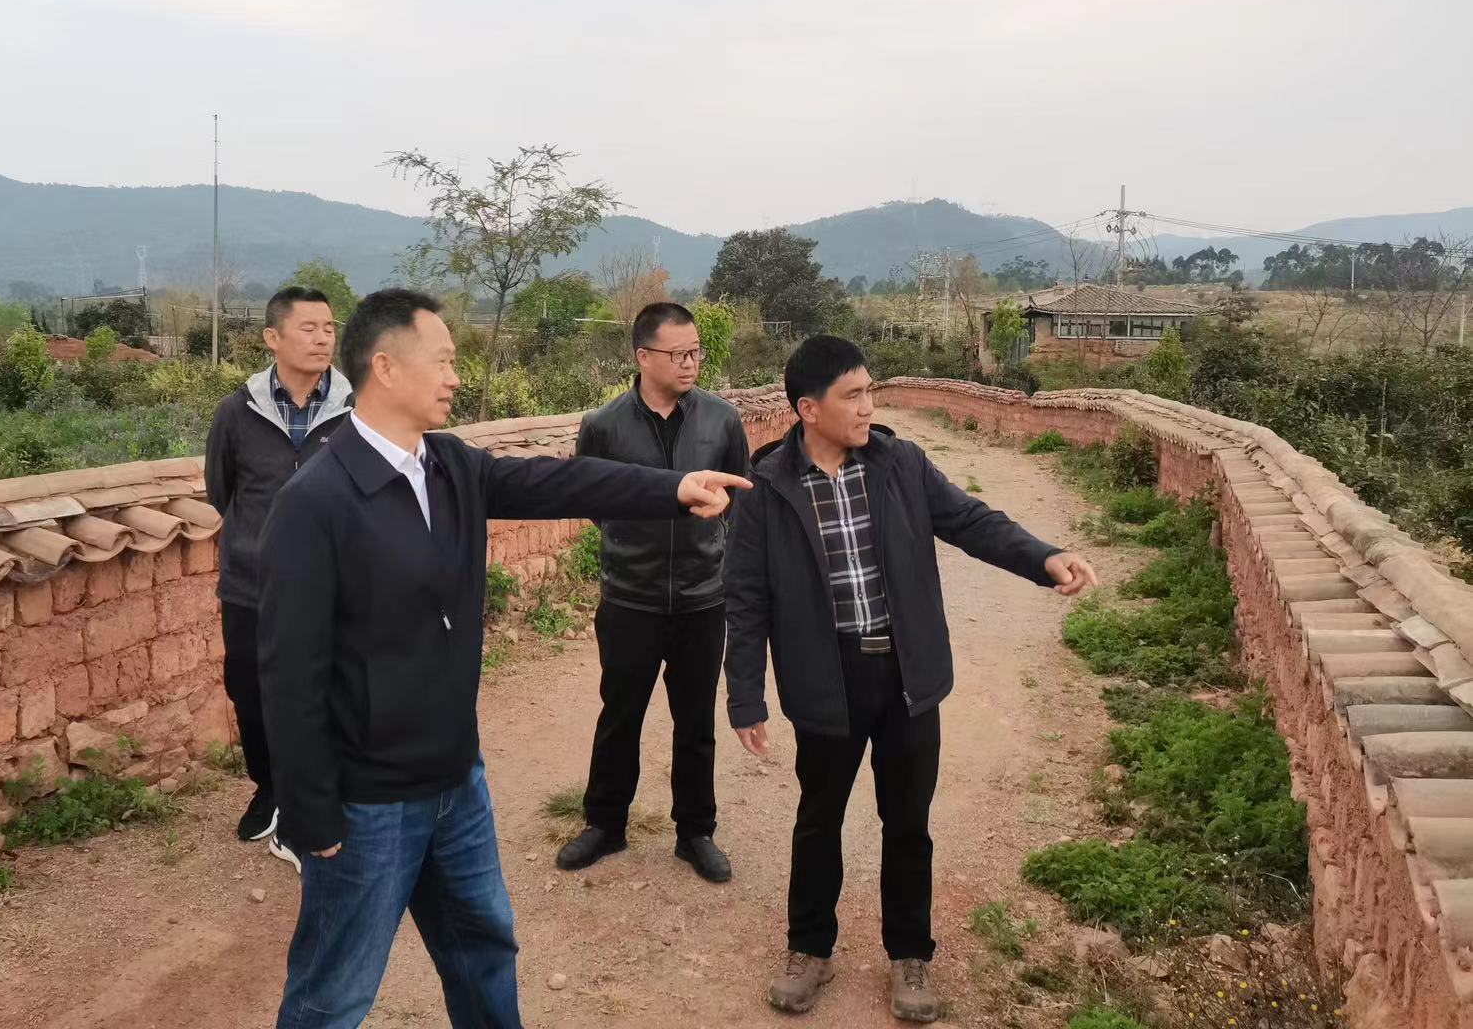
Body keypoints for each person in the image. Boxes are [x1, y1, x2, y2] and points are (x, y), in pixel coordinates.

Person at [257, 288, 751, 1029]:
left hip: (458, 780)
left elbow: (561, 480)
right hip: (369, 801)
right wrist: (309, 810)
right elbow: (288, 673)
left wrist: (674, 487)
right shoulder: (316, 501)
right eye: (443, 361)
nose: (455, 377)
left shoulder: (449, 465)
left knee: (483, 953)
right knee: (333, 994)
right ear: (385, 368)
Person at [723, 336, 1098, 1022]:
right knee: (818, 820)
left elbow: (970, 521)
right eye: (853, 395)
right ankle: (809, 948)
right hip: (824, 677)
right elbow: (745, 598)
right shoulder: (766, 489)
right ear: (808, 409)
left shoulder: (900, 464)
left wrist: (1043, 558)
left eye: (870, 390)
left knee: (907, 822)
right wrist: (745, 694)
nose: (869, 406)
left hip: (905, 675)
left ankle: (909, 954)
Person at [557, 302, 750, 883]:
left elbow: (740, 494)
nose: (691, 363)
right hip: (630, 599)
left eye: (696, 352)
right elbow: (592, 498)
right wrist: (632, 542)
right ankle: (605, 824)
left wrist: (713, 537)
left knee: (696, 722)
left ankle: (696, 833)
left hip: (702, 598)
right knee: (620, 715)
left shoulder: (722, 420)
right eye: (678, 353)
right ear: (643, 356)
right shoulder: (604, 425)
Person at [202, 285, 352, 869]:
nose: (322, 338)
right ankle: (270, 786)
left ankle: (319, 796)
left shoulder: (355, 411)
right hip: (252, 586)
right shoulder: (236, 413)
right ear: (273, 337)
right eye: (308, 327)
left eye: (329, 328)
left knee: (328, 689)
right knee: (250, 689)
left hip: (332, 586)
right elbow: (222, 491)